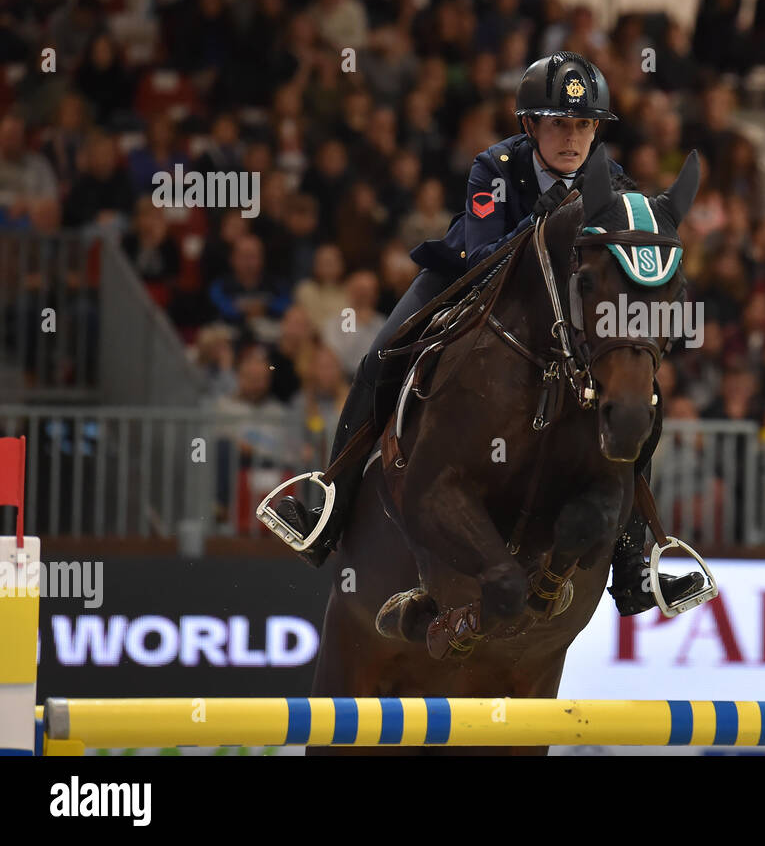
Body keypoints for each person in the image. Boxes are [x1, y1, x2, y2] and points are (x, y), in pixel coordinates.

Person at [268, 52, 703, 614]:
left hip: (557, 311)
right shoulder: (494, 166)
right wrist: (541, 219)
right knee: (381, 356)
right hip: (468, 276)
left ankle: (633, 569)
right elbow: (486, 254)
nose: (573, 139)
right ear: (531, 126)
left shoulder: (613, 183)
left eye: (584, 125)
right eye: (560, 124)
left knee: (639, 400)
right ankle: (328, 502)